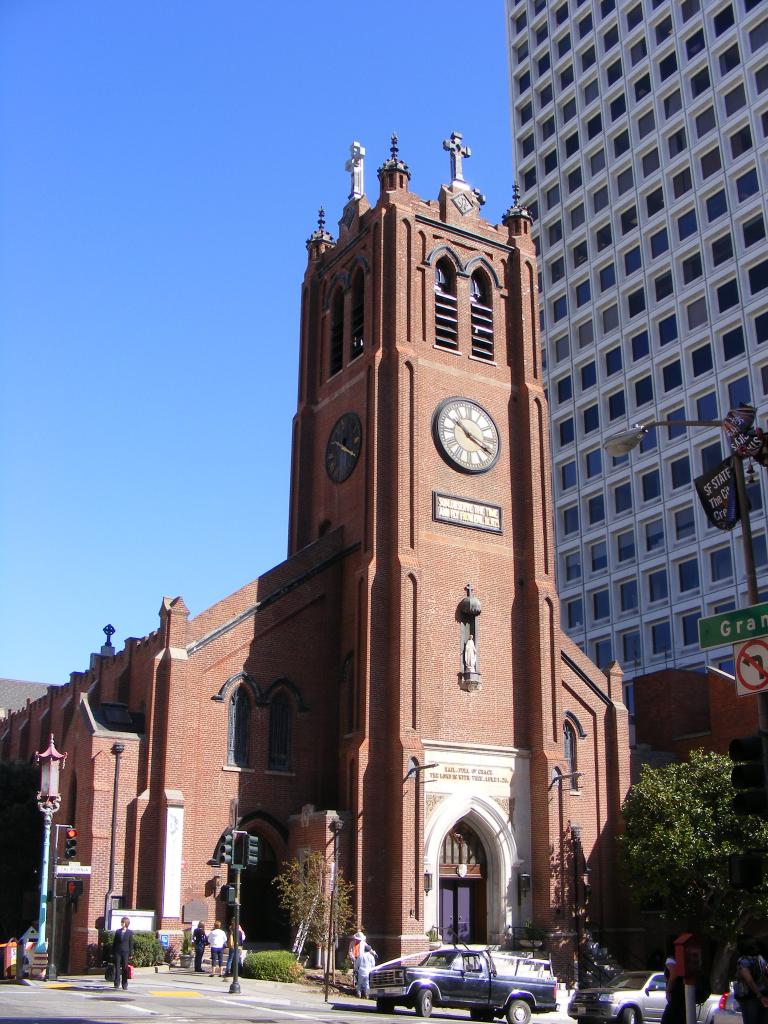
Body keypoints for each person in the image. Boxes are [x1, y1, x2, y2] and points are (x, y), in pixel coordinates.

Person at [735, 939, 768, 1024]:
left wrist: (759, 995)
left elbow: (749, 980)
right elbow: (764, 976)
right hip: (763, 993)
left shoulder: (742, 960)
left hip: (749, 996)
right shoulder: (760, 959)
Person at [661, 956, 685, 1024]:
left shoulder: (670, 960)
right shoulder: (680, 960)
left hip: (675, 997)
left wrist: (668, 991)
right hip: (682, 998)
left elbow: (673, 975)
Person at [112, 916, 134, 991]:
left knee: (125, 968)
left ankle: (124, 984)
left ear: (126, 923)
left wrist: (131, 954)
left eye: (123, 922)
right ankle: (116, 983)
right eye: (121, 922)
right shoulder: (118, 931)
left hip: (125, 952)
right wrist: (112, 952)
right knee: (117, 967)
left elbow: (131, 944)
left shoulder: (130, 932)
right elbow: (114, 943)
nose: (122, 923)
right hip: (117, 952)